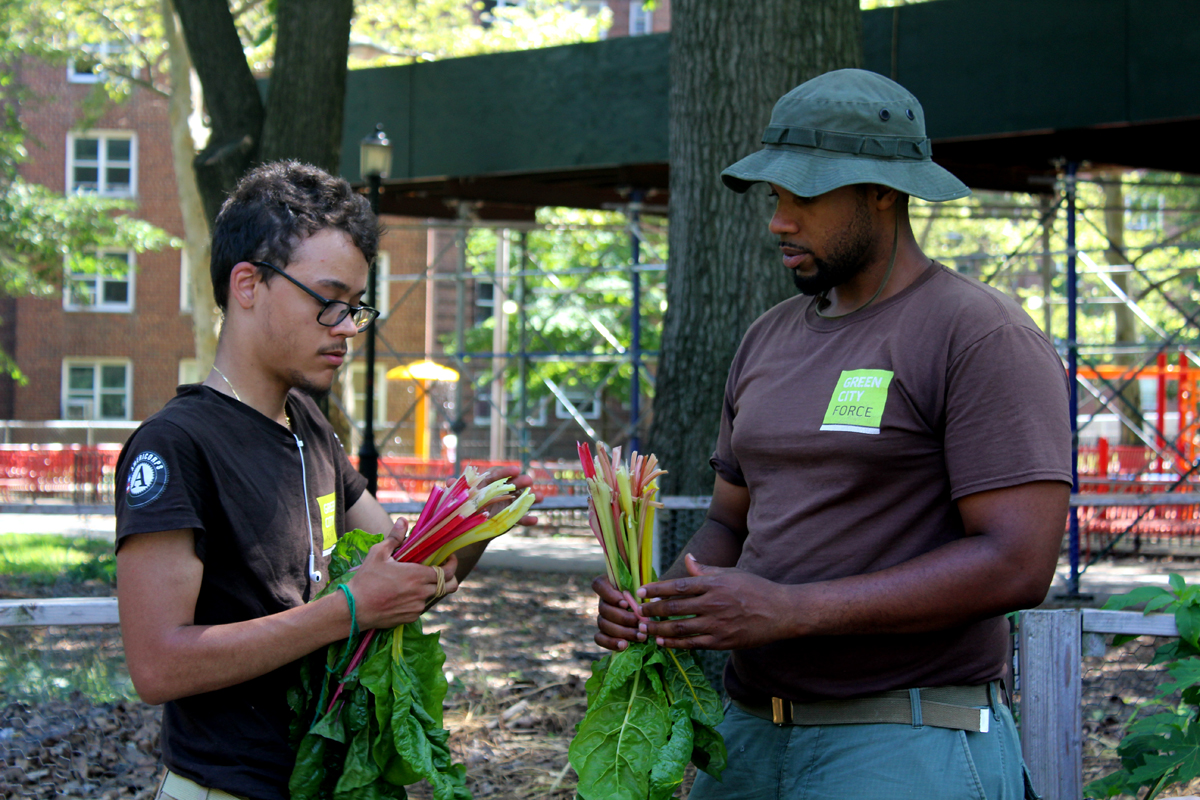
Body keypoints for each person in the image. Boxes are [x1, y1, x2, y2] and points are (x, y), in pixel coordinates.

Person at [594, 69, 1071, 799]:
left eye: (805, 197)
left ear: (883, 191)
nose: (779, 221)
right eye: (775, 197)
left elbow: (1018, 564)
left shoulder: (978, 333)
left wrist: (793, 610)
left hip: (905, 737)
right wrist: (659, 604)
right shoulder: (767, 337)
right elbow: (729, 520)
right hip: (751, 731)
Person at [115, 161, 532, 800]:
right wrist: (350, 608)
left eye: (356, 308)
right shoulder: (175, 445)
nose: (346, 329)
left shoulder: (308, 424)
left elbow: (407, 581)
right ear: (248, 283)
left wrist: (478, 519)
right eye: (328, 301)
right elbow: (157, 664)